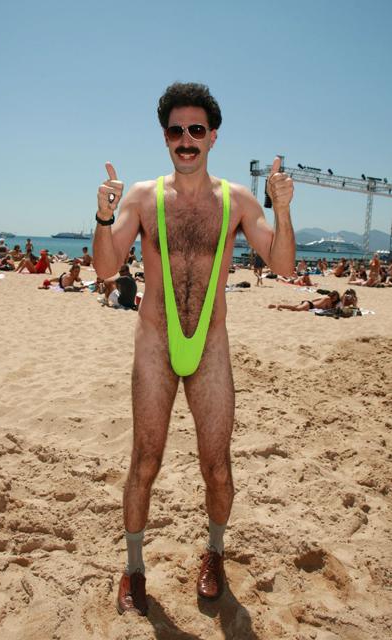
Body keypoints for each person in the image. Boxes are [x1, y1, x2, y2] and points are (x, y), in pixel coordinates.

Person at [93, 82, 295, 616]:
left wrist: (282, 208)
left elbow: (283, 265)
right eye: (176, 131)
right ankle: (134, 568)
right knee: (144, 461)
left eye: (196, 130)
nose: (186, 140)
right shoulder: (141, 198)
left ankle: (214, 553)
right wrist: (104, 216)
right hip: (154, 347)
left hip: (211, 349)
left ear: (213, 137)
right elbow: (106, 267)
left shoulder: (237, 201)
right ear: (165, 137)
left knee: (218, 467)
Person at [268, 290, 340, 311]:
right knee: (297, 309)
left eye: (336, 298)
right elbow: (330, 309)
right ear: (332, 296)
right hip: (310, 305)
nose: (335, 299)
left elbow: (314, 299)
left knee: (294, 307)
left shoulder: (325, 296)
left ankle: (273, 306)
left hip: (309, 303)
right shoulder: (328, 299)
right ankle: (279, 305)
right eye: (335, 297)